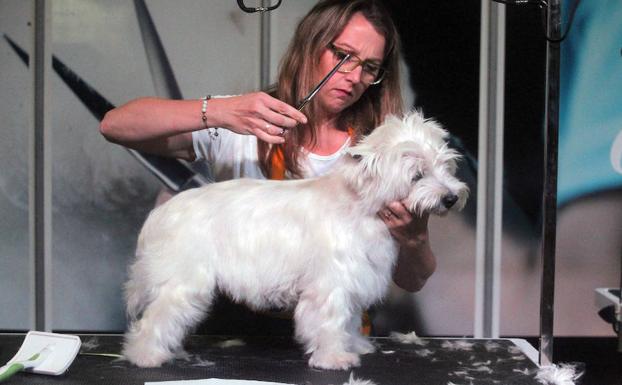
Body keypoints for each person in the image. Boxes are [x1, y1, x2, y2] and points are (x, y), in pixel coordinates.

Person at [100, 0, 435, 294]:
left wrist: (414, 239)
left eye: (369, 67)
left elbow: (411, 281)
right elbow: (115, 125)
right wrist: (218, 111)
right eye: (342, 55)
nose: (352, 76)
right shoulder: (243, 120)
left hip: (333, 326)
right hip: (237, 324)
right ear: (309, 46)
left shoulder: (381, 155)